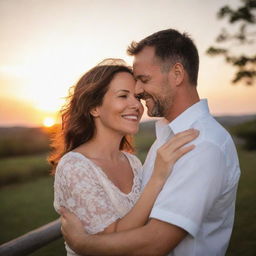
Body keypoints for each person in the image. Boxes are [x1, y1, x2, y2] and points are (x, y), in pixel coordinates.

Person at [60, 29, 241, 256]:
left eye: (144, 80)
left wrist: (83, 244)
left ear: (177, 74)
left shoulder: (201, 145)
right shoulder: (168, 138)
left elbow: (156, 242)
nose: (138, 92)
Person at [51, 58, 199, 256]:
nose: (136, 106)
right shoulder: (74, 166)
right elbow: (111, 240)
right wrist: (158, 177)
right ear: (94, 108)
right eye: (123, 96)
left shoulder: (133, 162)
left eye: (137, 98)